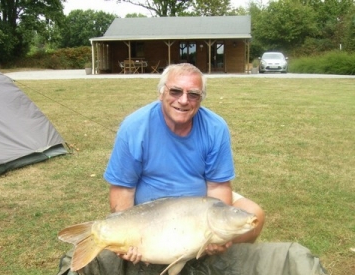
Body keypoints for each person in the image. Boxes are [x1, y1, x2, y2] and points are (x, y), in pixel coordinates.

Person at [104, 63, 265, 264]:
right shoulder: (134, 126)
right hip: (152, 209)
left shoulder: (215, 127)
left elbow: (217, 185)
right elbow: (123, 190)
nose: (183, 100)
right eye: (175, 91)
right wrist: (126, 236)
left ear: (200, 99)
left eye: (193, 95)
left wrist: (220, 234)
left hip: (201, 206)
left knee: (255, 216)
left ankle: (215, 259)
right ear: (161, 93)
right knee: (122, 238)